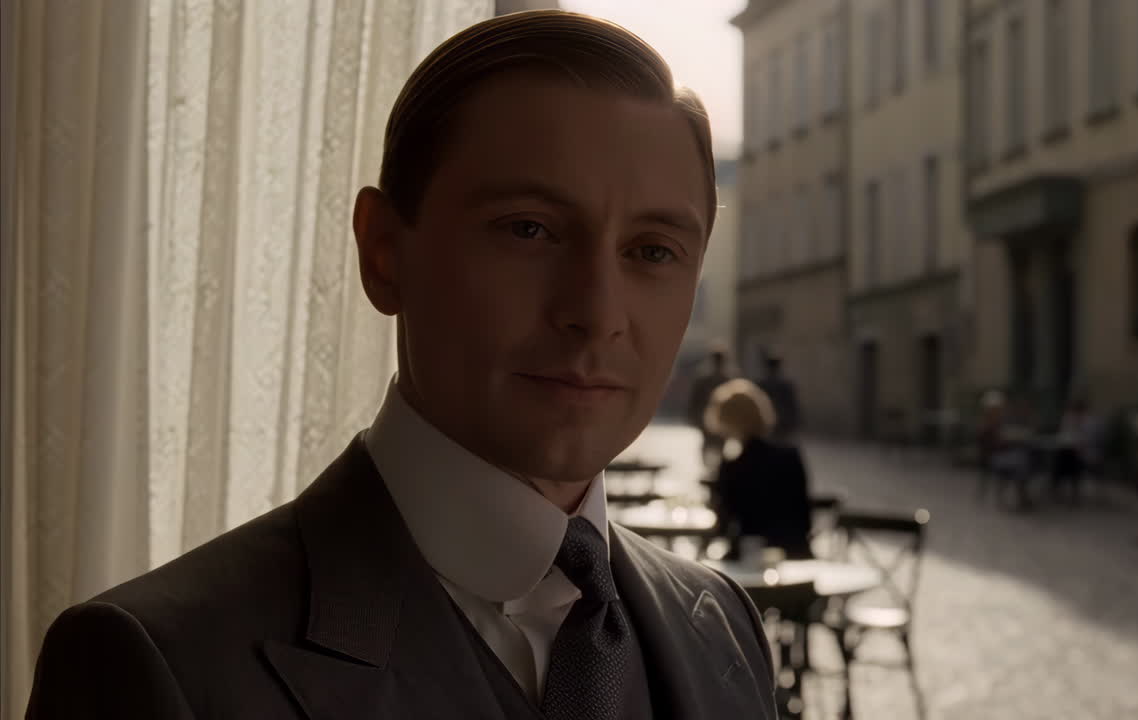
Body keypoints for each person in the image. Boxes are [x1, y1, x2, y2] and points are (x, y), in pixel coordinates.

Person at [26, 11, 777, 720]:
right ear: (384, 252)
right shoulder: (158, 663)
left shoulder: (724, 628)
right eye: (530, 229)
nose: (597, 311)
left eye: (652, 251)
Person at [705, 379, 813, 561]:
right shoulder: (790, 456)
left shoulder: (732, 466)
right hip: (795, 551)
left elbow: (723, 523)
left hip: (749, 556)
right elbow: (804, 516)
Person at [686, 348, 733, 465]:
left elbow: (694, 400)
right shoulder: (726, 378)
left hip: (712, 418)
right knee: (715, 445)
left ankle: (712, 470)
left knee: (711, 444)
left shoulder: (706, 378)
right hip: (717, 418)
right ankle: (714, 470)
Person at [756, 354, 800, 443]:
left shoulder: (762, 384)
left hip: (768, 421)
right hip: (781, 421)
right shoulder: (786, 384)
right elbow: (792, 405)